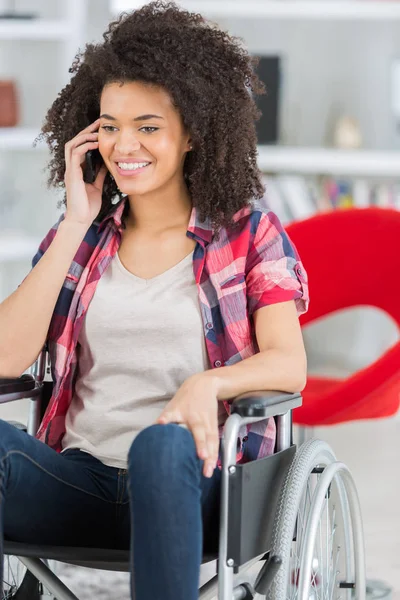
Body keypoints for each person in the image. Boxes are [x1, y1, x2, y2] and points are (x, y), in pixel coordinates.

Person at [0, 2, 309, 598]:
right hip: (82, 483)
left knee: (161, 445)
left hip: (193, 479)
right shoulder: (82, 239)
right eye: (109, 126)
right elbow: (5, 361)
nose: (124, 145)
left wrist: (205, 386)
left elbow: (287, 363)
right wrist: (74, 223)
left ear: (192, 132)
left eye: (148, 126)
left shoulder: (248, 234)